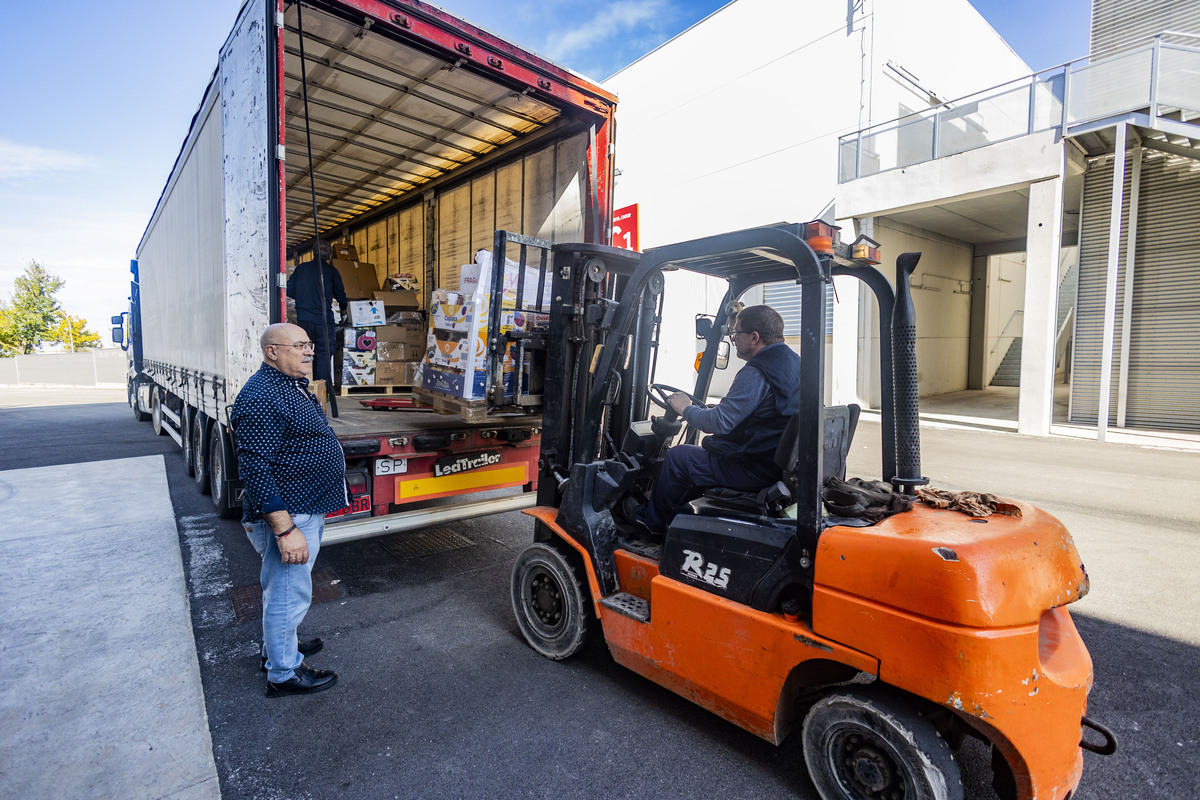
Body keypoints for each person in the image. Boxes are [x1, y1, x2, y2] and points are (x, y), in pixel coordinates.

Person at [230, 323, 349, 697]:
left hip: (303, 505)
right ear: (272, 352)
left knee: (284, 589)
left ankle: (279, 648)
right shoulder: (262, 396)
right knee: (287, 592)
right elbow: (254, 469)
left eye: (309, 344)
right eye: (299, 346)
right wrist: (285, 530)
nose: (309, 351)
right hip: (290, 513)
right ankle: (283, 674)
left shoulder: (286, 385)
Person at [641, 305, 801, 533]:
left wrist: (685, 408)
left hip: (756, 468)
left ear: (755, 337)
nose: (733, 338)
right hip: (777, 463)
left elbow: (719, 423)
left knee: (678, 456)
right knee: (703, 454)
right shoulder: (795, 363)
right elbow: (767, 411)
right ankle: (683, 521)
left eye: (737, 333)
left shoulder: (756, 371)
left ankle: (652, 526)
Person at [286, 240, 348, 383]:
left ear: (313, 253)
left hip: (303, 320)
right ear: (330, 256)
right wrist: (344, 311)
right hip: (323, 320)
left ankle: (303, 387)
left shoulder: (301, 269)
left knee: (303, 352)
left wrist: (303, 298)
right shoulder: (331, 271)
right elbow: (341, 295)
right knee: (323, 353)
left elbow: (289, 290)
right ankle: (321, 391)